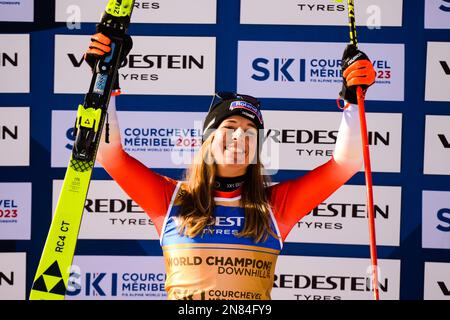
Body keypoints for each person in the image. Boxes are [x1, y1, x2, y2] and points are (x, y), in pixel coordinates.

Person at [84, 31, 376, 300]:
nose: (240, 136)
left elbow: (345, 164)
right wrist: (104, 80)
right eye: (230, 126)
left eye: (250, 131)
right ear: (208, 139)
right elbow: (109, 155)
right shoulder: (172, 198)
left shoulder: (274, 205)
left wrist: (353, 100)